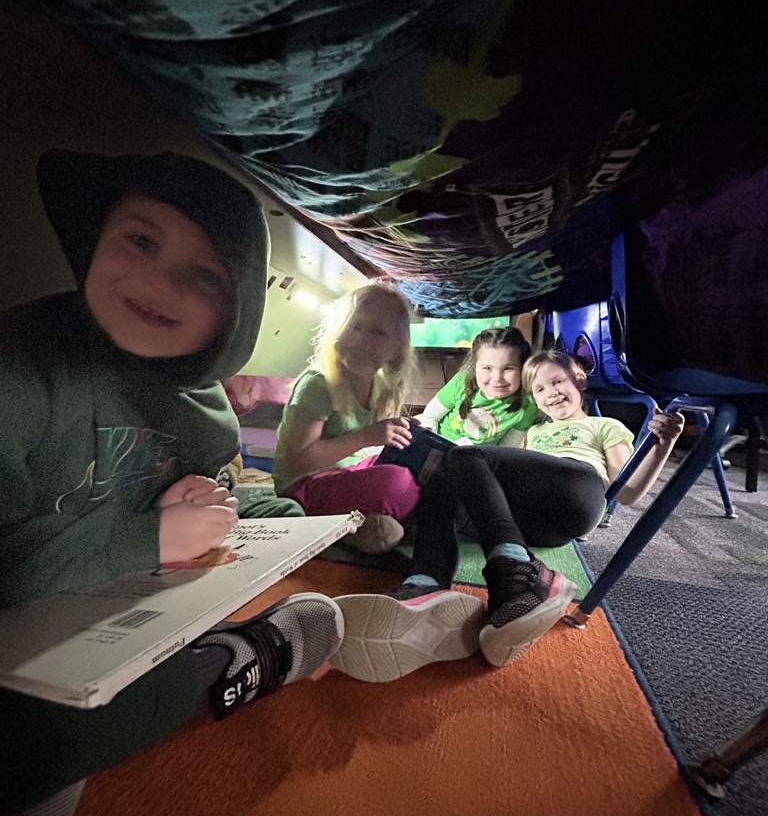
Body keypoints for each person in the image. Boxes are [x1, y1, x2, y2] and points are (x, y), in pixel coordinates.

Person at [0, 149, 345, 816]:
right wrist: (149, 537)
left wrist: (278, 523)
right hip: (26, 628)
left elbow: (215, 483)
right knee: (45, 725)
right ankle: (242, 659)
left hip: (111, 617)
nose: (160, 282)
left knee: (77, 708)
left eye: (205, 276)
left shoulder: (201, 399)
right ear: (98, 236)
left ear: (234, 314)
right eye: (141, 241)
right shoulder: (21, 375)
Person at [331, 349, 684, 680]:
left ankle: (515, 571)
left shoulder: (603, 425)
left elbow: (630, 490)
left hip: (579, 491)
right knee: (446, 479)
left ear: (579, 379)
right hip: (531, 522)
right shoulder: (535, 431)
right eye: (540, 388)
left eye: (558, 381)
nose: (551, 393)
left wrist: (662, 446)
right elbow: (499, 483)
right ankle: (426, 582)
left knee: (464, 458)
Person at [272, 282, 423, 554]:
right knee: (396, 482)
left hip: (349, 475)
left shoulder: (379, 385)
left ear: (397, 347)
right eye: (354, 326)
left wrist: (401, 432)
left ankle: (364, 524)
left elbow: (369, 450)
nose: (361, 339)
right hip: (303, 487)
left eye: (377, 332)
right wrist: (366, 436)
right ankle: (355, 523)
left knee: (423, 467)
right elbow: (295, 463)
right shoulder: (318, 384)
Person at [418, 325, 539, 448]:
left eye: (508, 368)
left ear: (523, 368)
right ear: (474, 367)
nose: (497, 378)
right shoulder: (462, 381)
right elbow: (431, 415)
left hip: (479, 457)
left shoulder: (528, 403)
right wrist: (433, 448)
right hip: (440, 444)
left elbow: (509, 446)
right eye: (487, 368)